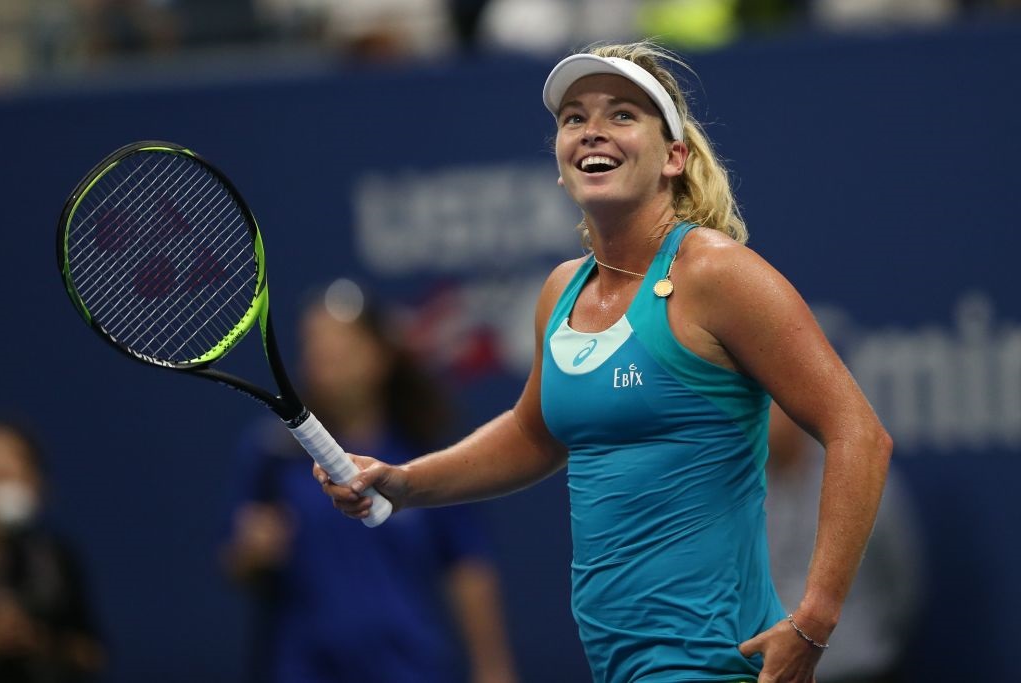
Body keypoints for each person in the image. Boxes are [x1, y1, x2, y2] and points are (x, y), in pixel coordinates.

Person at [317, 41, 893, 683]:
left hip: (713, 666)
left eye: (622, 114)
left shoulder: (715, 274)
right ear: (561, 166)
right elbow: (533, 434)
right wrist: (403, 481)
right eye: (574, 117)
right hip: (618, 666)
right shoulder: (561, 291)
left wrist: (814, 620)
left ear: (673, 157)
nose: (593, 129)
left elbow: (859, 435)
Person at [220, 280, 518, 683]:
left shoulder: (423, 461)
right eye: (316, 351)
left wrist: (493, 670)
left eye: (340, 351)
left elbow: (468, 566)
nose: (324, 363)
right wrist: (253, 552)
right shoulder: (272, 455)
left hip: (408, 670)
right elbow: (240, 565)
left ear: (378, 358)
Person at [766, 402, 921, 683]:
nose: (760, 419)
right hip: (773, 670)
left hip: (859, 666)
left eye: (769, 406)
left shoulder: (859, 475)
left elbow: (899, 578)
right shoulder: (738, 488)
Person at [0, 419, 105, 683]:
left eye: (13, 475)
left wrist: (33, 639)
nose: (4, 487)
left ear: (37, 482)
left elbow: (93, 656)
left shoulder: (55, 559)